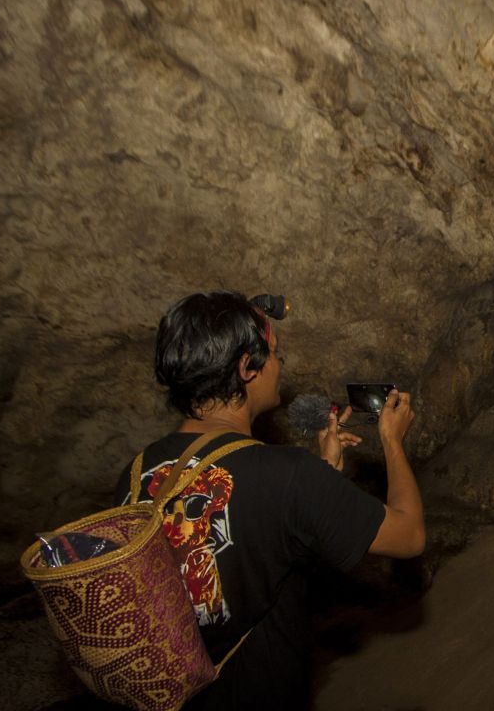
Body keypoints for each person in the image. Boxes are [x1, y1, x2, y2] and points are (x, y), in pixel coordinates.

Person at [114, 290, 424, 709]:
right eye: (274, 354)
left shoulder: (137, 472)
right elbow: (408, 535)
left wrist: (321, 473)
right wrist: (392, 440)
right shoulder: (287, 474)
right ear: (246, 367)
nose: (280, 366)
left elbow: (253, 538)